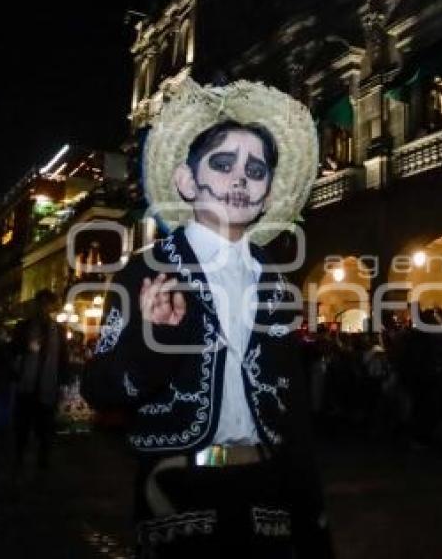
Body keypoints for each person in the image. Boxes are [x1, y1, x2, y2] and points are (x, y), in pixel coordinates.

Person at [81, 78, 332, 558]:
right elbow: (100, 387)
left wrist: (314, 523)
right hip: (177, 495)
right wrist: (153, 339)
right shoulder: (148, 271)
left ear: (266, 193)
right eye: (223, 163)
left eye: (255, 169)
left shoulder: (276, 287)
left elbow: (294, 414)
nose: (240, 178)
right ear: (186, 180)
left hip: (269, 496)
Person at [11, 289, 69, 470]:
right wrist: (25, 347)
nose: (44, 308)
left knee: (45, 427)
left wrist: (62, 383)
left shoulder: (59, 330)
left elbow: (63, 357)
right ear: (36, 305)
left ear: (52, 307)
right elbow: (13, 349)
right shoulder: (24, 326)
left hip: (48, 385)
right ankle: (19, 457)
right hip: (27, 384)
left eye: (47, 304)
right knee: (23, 426)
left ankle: (43, 459)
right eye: (41, 303)